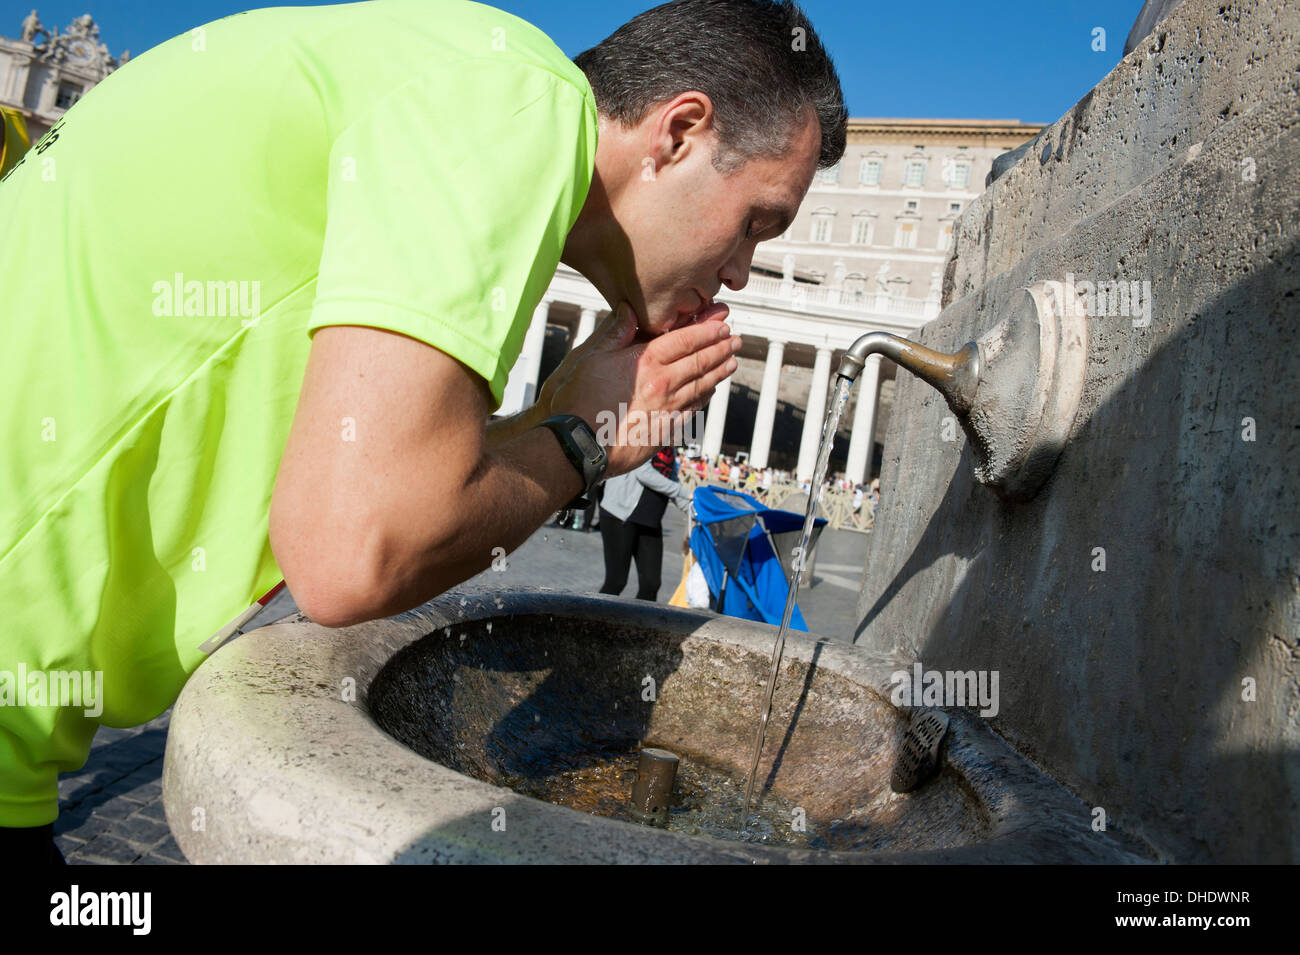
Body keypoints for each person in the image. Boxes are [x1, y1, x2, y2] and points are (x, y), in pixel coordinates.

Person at [0, 0, 846, 861]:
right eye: (756, 222)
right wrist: (585, 438)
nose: (743, 268)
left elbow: (383, 473)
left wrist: (557, 415)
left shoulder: (460, 82)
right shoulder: (512, 103)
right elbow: (352, 551)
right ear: (679, 133)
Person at [598, 448, 690, 600]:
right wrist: (686, 493)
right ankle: (594, 620)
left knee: (651, 584)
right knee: (616, 581)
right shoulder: (647, 435)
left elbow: (672, 479)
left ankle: (637, 623)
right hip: (620, 514)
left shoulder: (670, 449)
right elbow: (642, 472)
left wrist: (693, 508)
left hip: (650, 521)